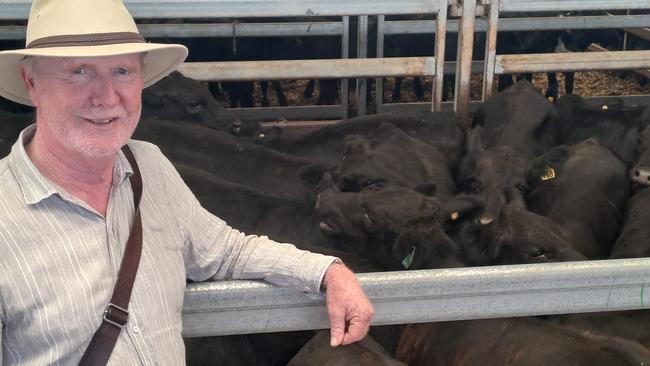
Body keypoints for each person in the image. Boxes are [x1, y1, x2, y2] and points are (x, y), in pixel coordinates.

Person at [0, 0, 374, 364]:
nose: (107, 97)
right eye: (79, 72)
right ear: (31, 82)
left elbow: (225, 250)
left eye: (123, 72)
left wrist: (329, 271)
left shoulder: (149, 165)